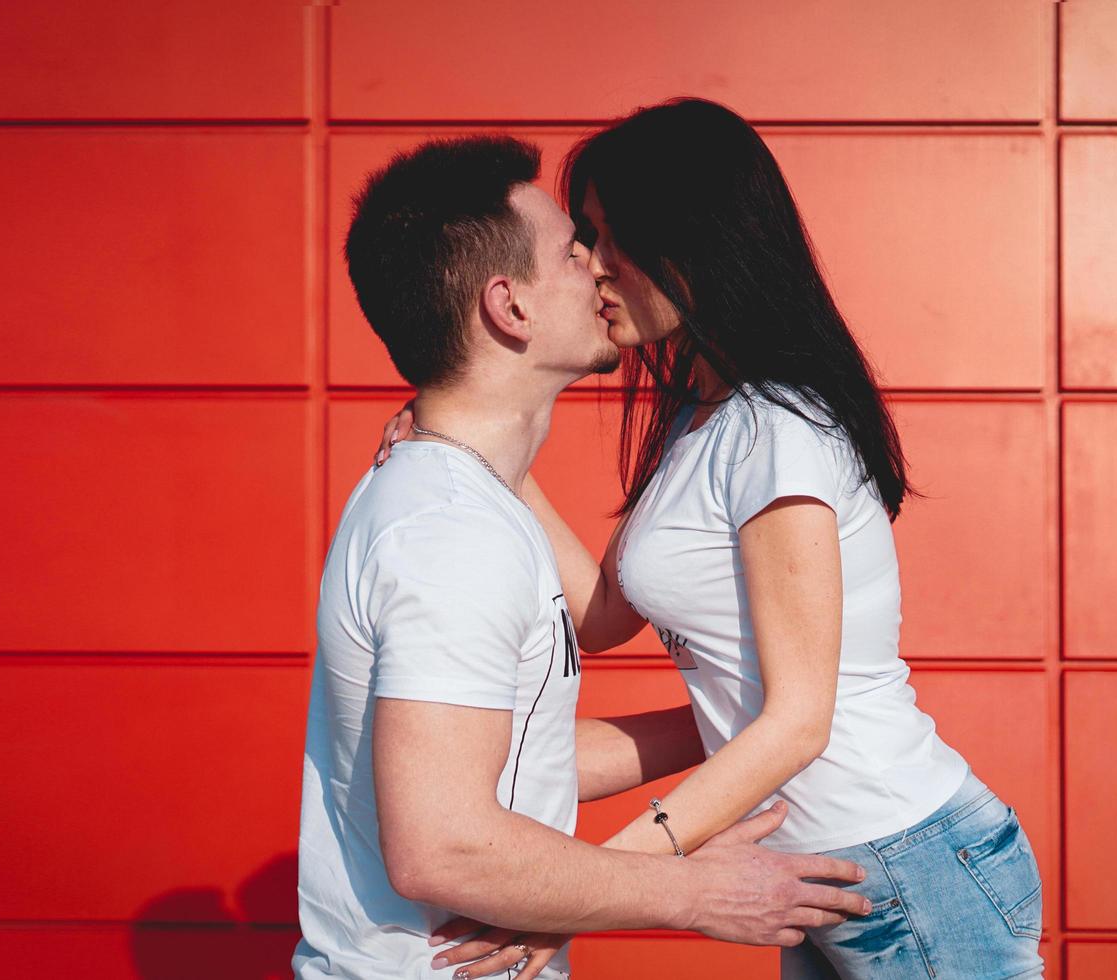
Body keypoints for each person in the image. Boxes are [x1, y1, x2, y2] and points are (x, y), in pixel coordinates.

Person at [399, 100, 1044, 979]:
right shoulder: (702, 423)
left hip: (910, 863)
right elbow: (601, 620)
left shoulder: (781, 429)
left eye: (598, 235)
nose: (587, 265)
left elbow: (796, 723)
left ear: (682, 243)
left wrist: (601, 883)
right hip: (829, 871)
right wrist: (479, 451)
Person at [294, 134, 873, 980]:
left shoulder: (468, 504)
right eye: (575, 250)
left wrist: (741, 723)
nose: (601, 268)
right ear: (511, 307)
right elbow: (445, 848)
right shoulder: (450, 539)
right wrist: (691, 892)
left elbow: (521, 757)